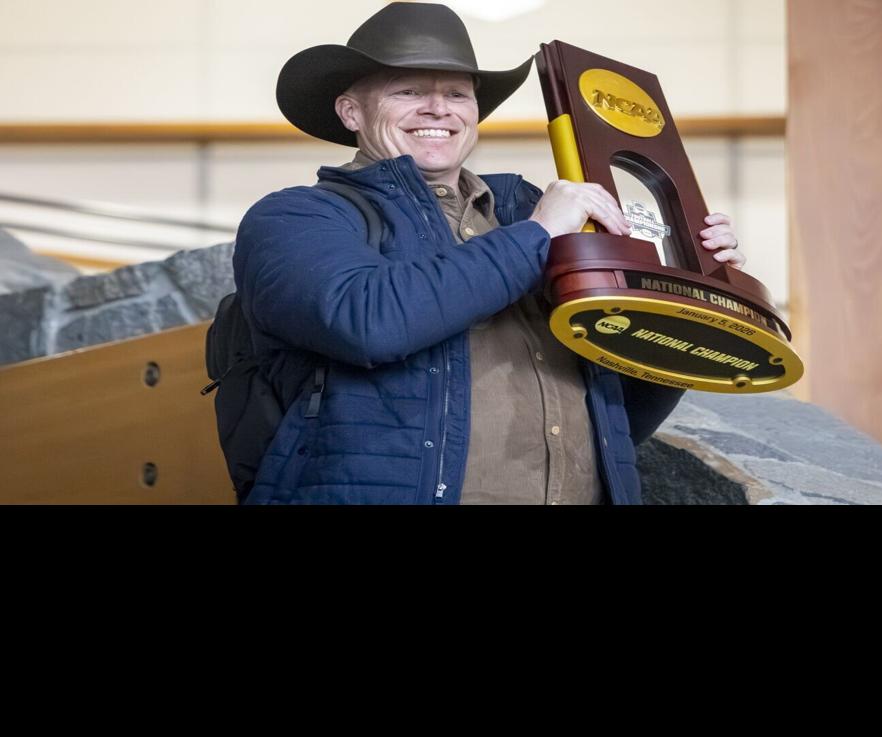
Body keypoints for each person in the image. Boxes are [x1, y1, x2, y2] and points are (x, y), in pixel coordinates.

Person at [234, 2, 744, 504]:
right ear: (351, 111)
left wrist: (691, 291)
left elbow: (618, 417)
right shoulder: (296, 217)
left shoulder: (526, 215)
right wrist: (539, 233)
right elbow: (366, 321)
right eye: (409, 90)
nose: (439, 109)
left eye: (457, 94)